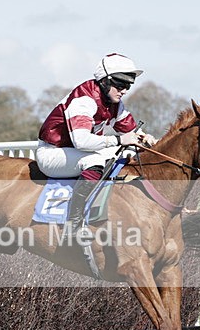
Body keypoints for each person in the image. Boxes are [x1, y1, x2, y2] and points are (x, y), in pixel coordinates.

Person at [36, 53, 157, 235]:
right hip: (53, 154)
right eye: (120, 84)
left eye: (128, 86)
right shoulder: (84, 100)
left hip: (73, 152)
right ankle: (73, 221)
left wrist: (144, 137)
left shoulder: (113, 102)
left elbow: (129, 130)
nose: (124, 90)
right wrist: (117, 140)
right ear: (105, 81)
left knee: (124, 156)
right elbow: (81, 141)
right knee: (96, 161)